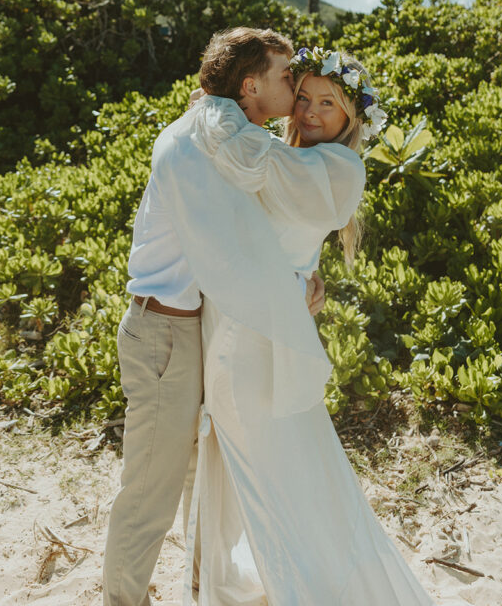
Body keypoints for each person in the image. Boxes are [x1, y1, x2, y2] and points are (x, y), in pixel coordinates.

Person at [181, 45, 440, 605]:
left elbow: (250, 159)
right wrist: (303, 281)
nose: (312, 111)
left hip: (252, 335)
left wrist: (212, 106)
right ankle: (229, 569)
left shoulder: (339, 166)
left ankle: (297, 583)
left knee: (271, 460)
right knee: (257, 456)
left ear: (352, 116)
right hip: (243, 318)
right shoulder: (286, 155)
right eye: (303, 98)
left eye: (329, 102)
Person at [102, 27, 324, 606]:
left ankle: (201, 586)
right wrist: (290, 284)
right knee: (151, 490)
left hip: (194, 329)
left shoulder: (221, 132)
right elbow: (229, 248)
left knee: (206, 473)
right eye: (284, 75)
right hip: (164, 333)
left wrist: (299, 273)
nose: (295, 86)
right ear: (249, 85)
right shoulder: (205, 138)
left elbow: (248, 230)